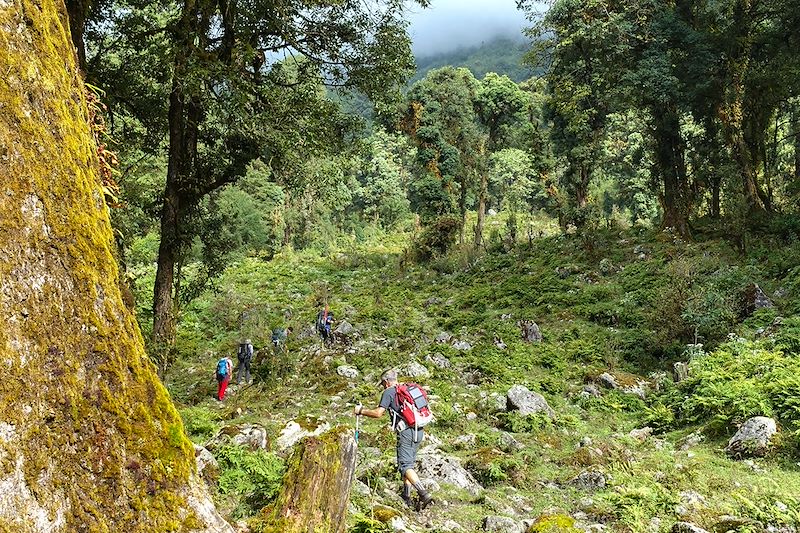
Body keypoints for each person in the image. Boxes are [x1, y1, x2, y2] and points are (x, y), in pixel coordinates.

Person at [354, 369, 434, 511]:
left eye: (383, 383)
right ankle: (406, 496)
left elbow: (378, 413)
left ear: (386, 382)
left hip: (406, 432)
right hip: (418, 430)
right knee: (408, 464)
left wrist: (361, 411)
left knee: (405, 466)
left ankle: (423, 493)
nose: (383, 386)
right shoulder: (407, 388)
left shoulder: (389, 392)